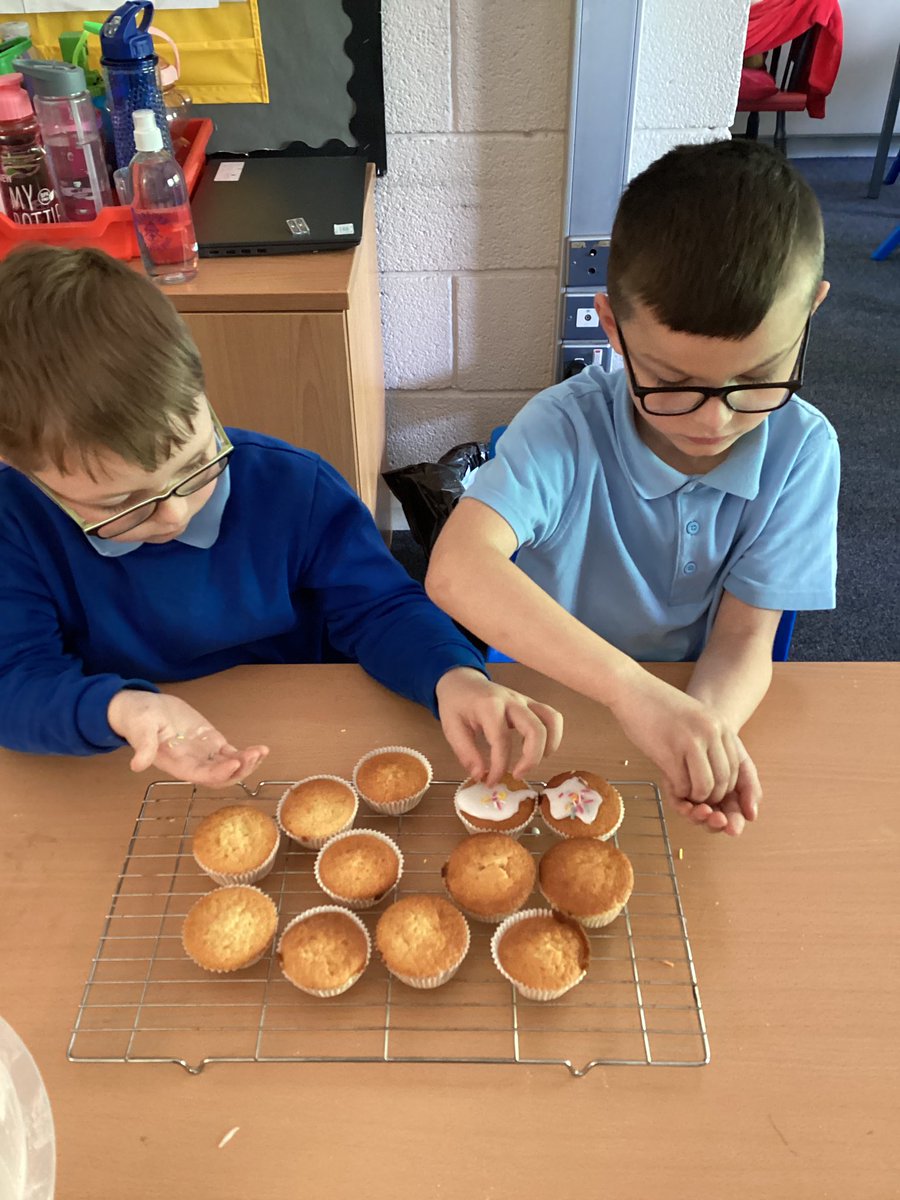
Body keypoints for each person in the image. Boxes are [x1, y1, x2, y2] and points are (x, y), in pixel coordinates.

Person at [0, 245, 562, 787]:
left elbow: (380, 608)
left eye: (198, 465)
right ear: (25, 471)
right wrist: (117, 709)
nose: (173, 514)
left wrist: (451, 675)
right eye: (122, 505)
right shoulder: (15, 525)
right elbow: (15, 680)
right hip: (130, 758)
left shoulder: (295, 487)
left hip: (314, 721)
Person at [427, 139, 839, 838]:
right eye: (673, 385)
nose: (717, 420)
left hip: (682, 699)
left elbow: (744, 639)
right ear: (611, 329)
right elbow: (457, 569)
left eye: (760, 376)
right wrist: (630, 692)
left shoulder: (802, 449)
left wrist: (701, 732)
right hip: (551, 701)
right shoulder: (564, 427)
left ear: (810, 316)